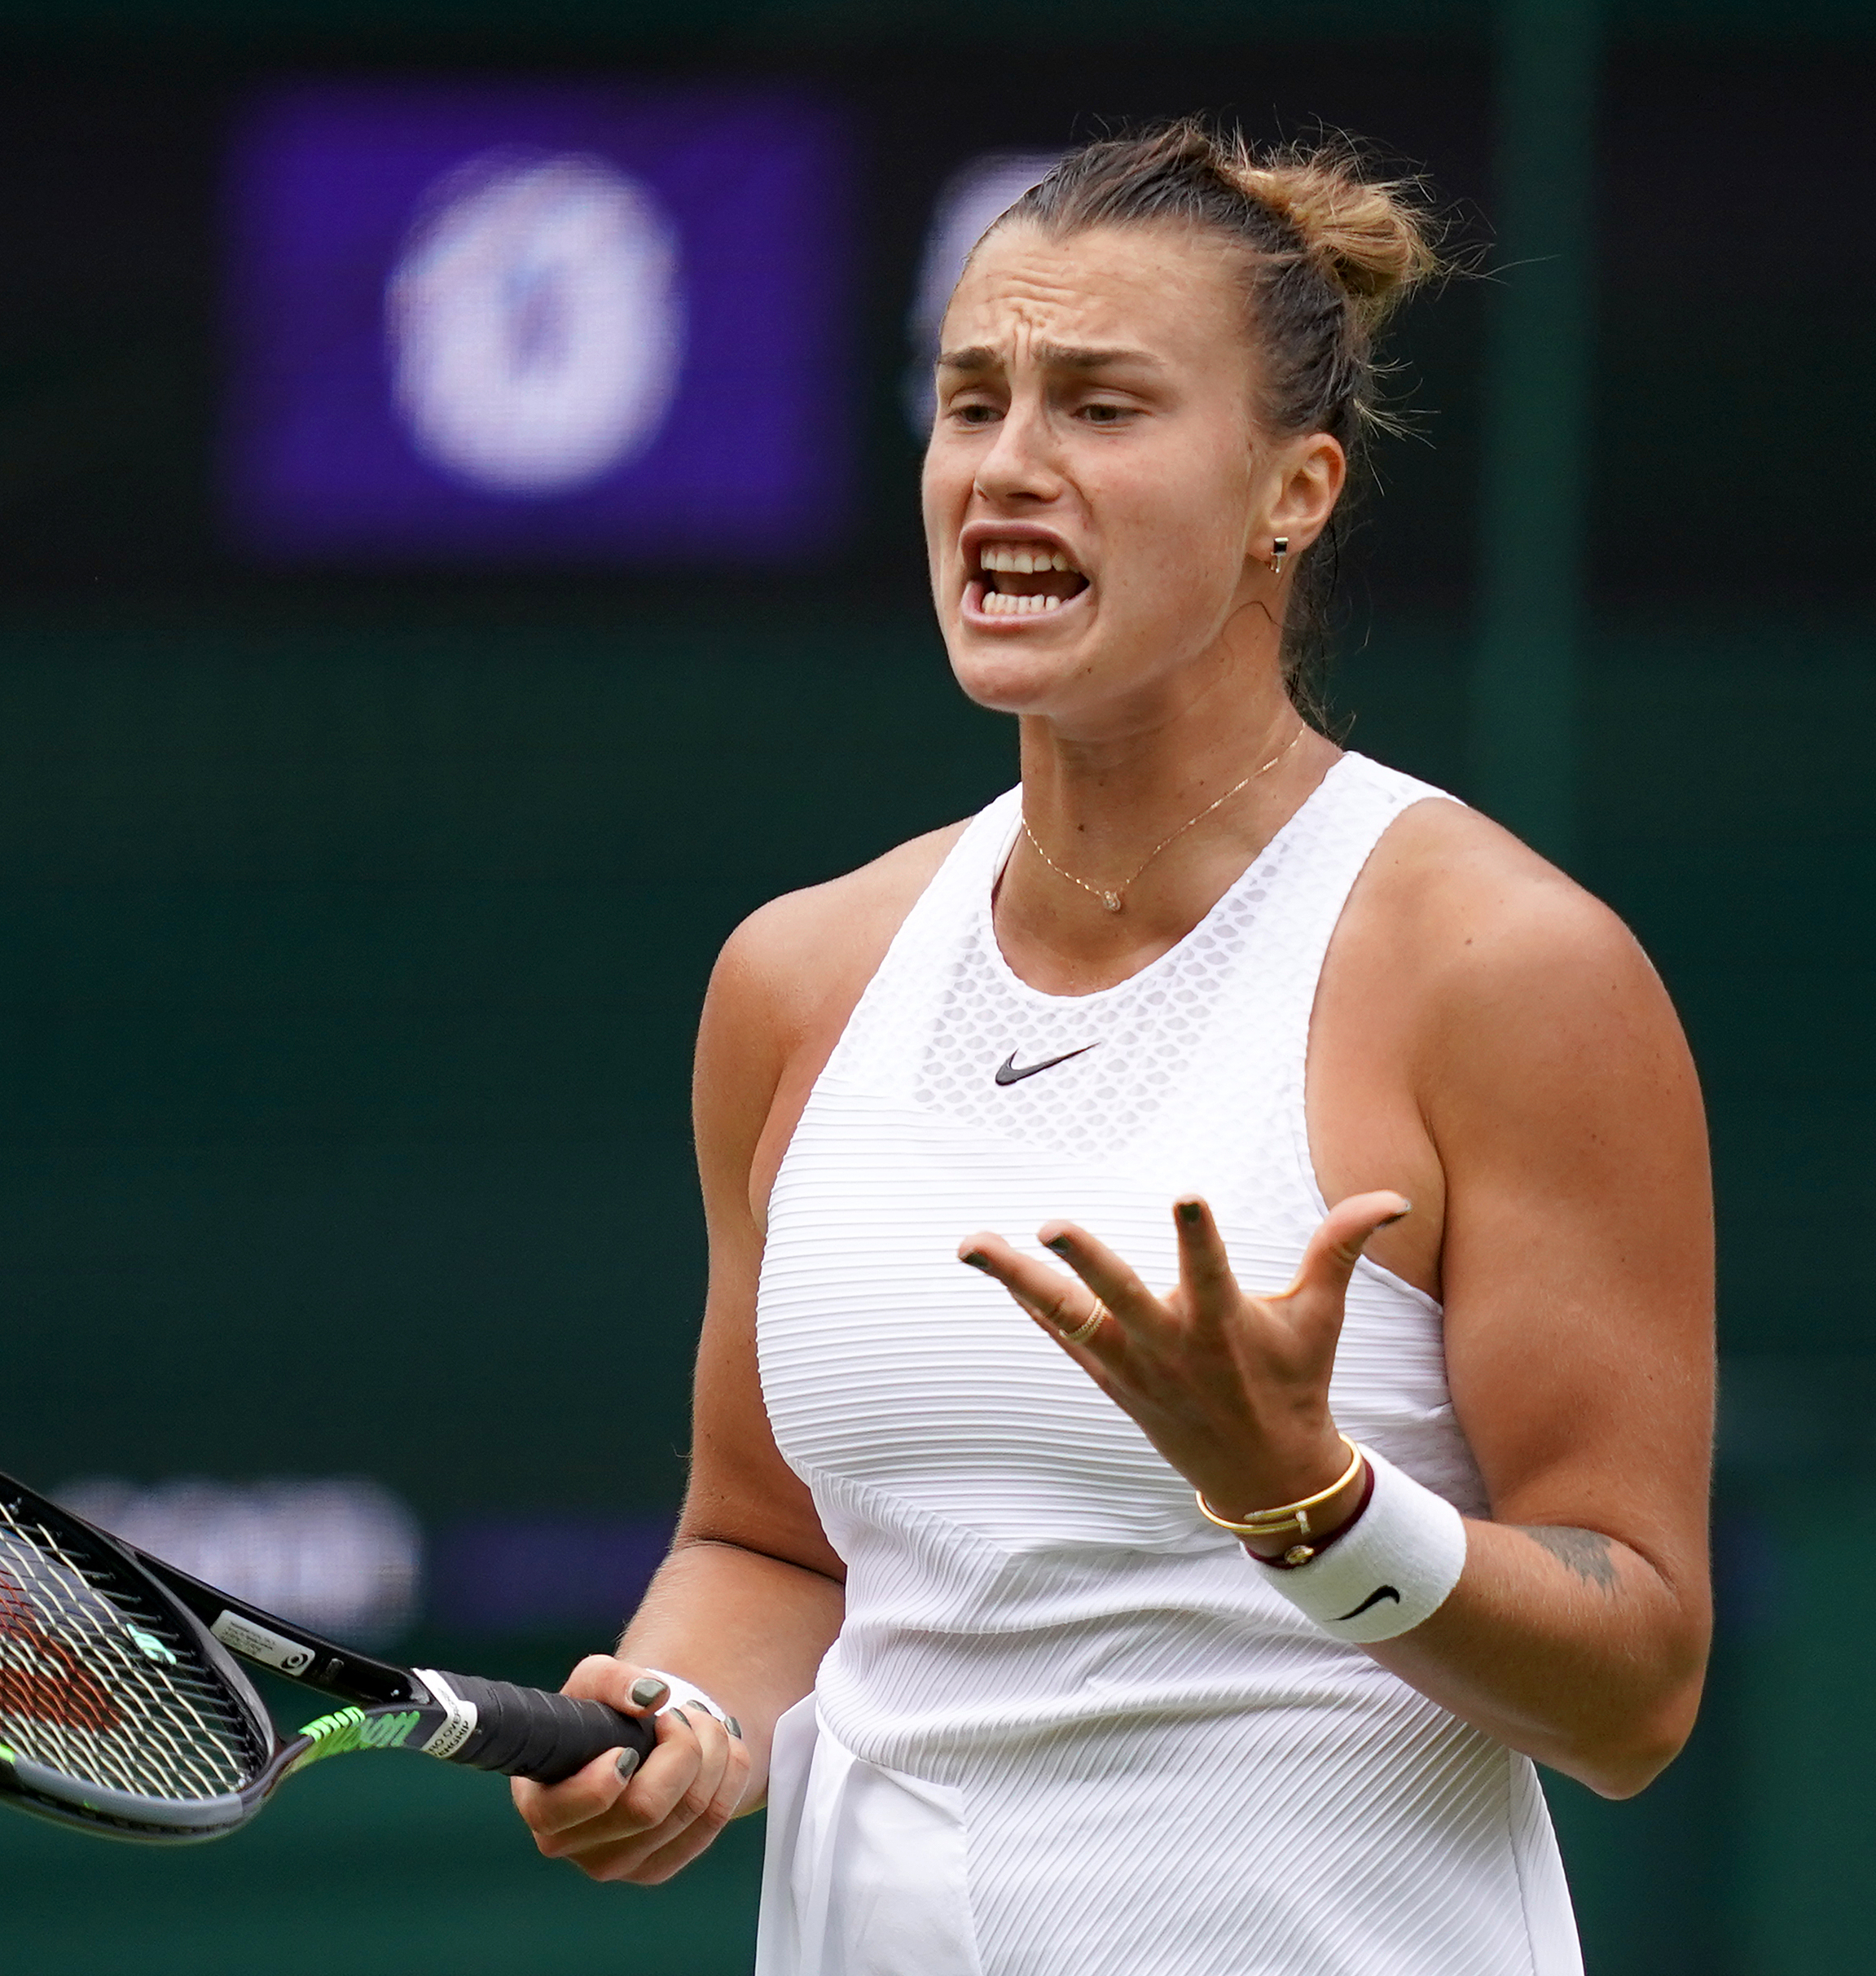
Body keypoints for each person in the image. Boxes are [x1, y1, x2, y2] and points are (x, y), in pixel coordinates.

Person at [512, 119, 1716, 1976]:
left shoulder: (1510, 968)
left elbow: (1636, 1684)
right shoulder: (798, 976)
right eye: (970, 399)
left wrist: (1313, 1507)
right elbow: (767, 1546)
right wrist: (687, 1723)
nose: (1007, 469)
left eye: (1100, 408)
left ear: (1290, 493)